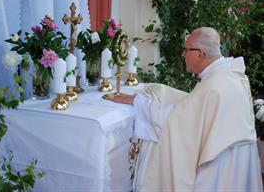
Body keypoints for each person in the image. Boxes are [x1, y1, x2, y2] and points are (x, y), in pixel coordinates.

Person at [111, 27, 263, 191]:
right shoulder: (230, 75)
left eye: (186, 49)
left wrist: (139, 102)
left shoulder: (213, 85)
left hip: (219, 171)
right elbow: (194, 110)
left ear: (200, 54)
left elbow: (175, 121)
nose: (183, 54)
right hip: (238, 164)